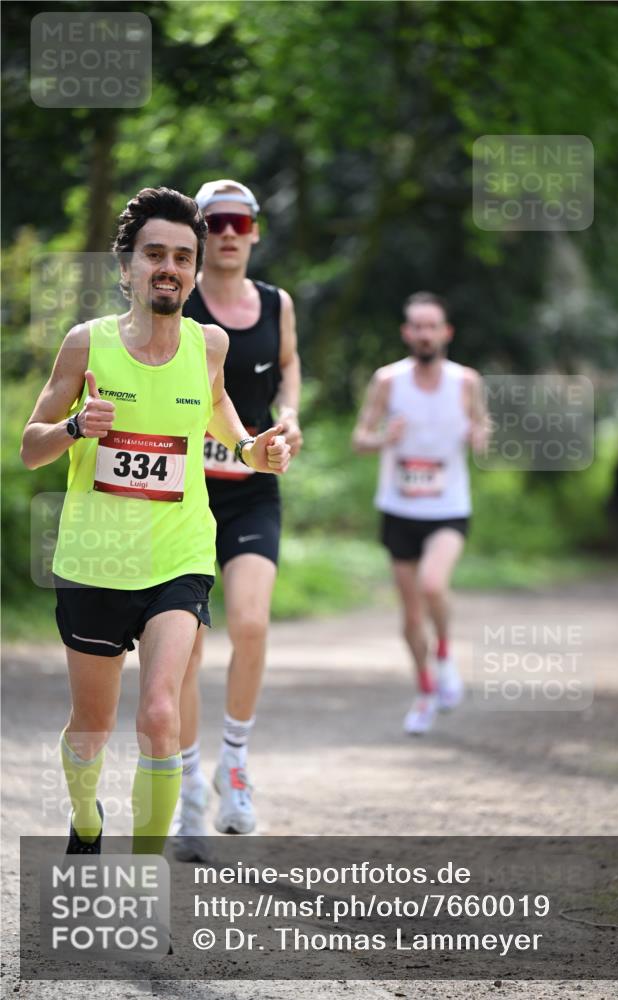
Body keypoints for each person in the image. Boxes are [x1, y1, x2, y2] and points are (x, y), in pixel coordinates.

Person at [20, 187, 290, 855]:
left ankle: (144, 879)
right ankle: (86, 818)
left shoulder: (210, 347)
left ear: (196, 271)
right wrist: (76, 426)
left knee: (161, 713)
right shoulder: (86, 345)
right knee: (92, 723)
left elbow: (225, 420)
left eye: (182, 257)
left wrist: (256, 450)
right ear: (127, 267)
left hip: (179, 555)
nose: (168, 267)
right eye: (154, 255)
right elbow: (30, 447)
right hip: (96, 559)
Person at [171, 179, 302, 858]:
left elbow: (286, 368)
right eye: (213, 221)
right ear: (200, 231)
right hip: (183, 491)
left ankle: (234, 762)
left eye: (238, 221)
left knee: (250, 623)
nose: (226, 232)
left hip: (250, 489)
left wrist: (291, 421)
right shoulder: (177, 300)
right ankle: (189, 789)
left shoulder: (276, 304)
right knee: (186, 648)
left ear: (253, 232)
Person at [352, 292, 488, 735]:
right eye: (417, 326)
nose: (425, 333)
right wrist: (383, 439)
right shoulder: (389, 381)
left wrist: (478, 435)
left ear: (445, 332)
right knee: (410, 617)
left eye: (433, 326)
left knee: (434, 583)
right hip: (399, 507)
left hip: (448, 506)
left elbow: (482, 427)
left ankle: (445, 653)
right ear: (407, 333)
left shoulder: (466, 381)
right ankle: (426, 691)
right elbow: (360, 439)